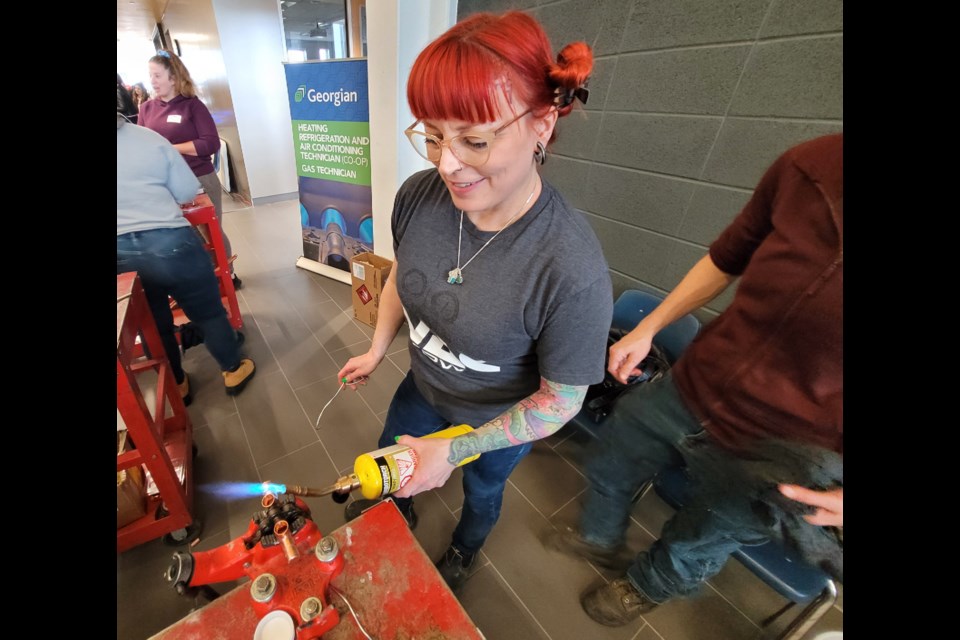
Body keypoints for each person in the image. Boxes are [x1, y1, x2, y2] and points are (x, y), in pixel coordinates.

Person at [336, 11, 613, 592]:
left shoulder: (570, 268)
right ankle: (395, 511)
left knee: (483, 491)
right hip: (423, 389)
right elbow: (399, 281)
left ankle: (465, 549)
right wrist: (377, 347)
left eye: (474, 140)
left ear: (542, 123)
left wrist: (458, 449)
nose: (446, 163)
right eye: (433, 135)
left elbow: (560, 403)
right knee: (394, 455)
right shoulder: (419, 197)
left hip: (494, 419)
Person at [544, 133, 843, 626]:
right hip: (697, 382)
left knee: (702, 535)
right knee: (615, 451)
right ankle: (600, 537)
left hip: (785, 448)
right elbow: (725, 259)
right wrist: (649, 327)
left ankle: (644, 586)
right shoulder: (809, 166)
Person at [117, 98, 256, 405]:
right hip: (171, 241)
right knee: (207, 311)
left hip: (120, 256)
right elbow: (185, 190)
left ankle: (177, 383)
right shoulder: (149, 139)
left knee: (153, 323)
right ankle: (232, 368)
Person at [138, 49, 242, 289]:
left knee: (211, 231)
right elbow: (143, 143)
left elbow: (210, 143)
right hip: (165, 183)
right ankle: (207, 275)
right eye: (150, 76)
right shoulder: (146, 109)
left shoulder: (192, 106)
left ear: (173, 78)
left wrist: (172, 148)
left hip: (199, 178)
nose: (152, 82)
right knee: (185, 233)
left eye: (157, 76)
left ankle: (228, 274)